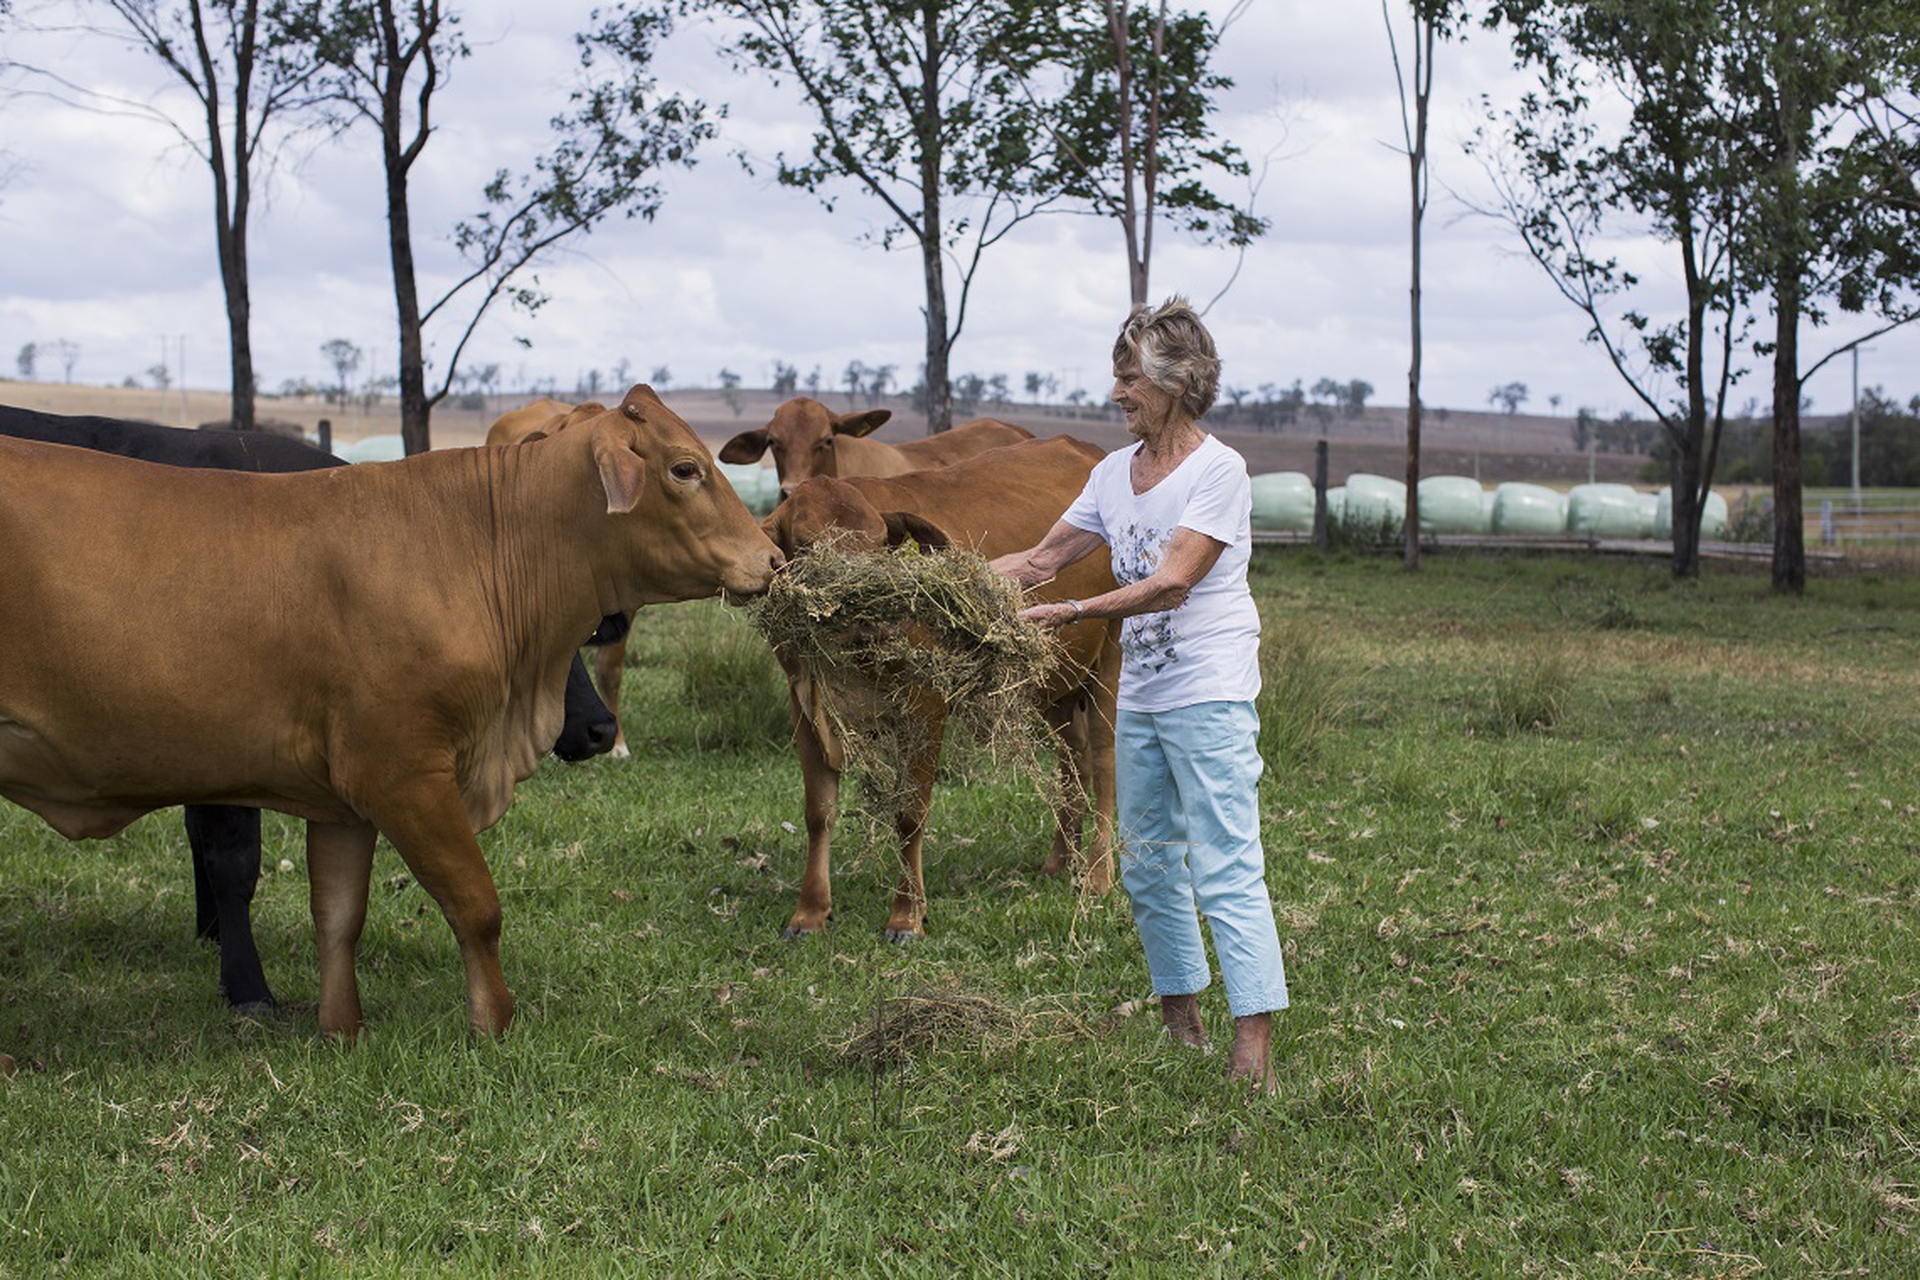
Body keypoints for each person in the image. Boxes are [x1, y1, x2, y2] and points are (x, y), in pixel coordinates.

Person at [991, 296, 1288, 1089]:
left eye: (1129, 378)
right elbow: (1042, 557)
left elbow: (1171, 582)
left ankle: (1252, 1040)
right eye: (1117, 376)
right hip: (1147, 696)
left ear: (1177, 382)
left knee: (1225, 861)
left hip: (1210, 689)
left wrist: (1078, 610)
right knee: (1149, 861)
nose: (1117, 393)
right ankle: (1179, 1018)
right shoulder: (1112, 474)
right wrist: (934, 581)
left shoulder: (1218, 472)